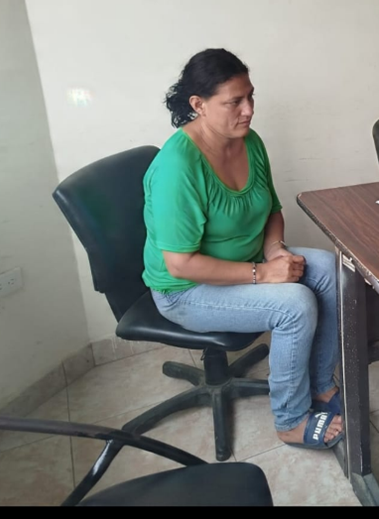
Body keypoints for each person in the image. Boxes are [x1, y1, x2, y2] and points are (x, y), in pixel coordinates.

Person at [142, 48, 343, 449]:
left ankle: (320, 384)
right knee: (294, 305)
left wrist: (274, 250)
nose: (249, 110)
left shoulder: (249, 142)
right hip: (185, 290)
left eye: (250, 97)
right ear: (198, 105)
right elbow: (180, 264)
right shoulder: (177, 165)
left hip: (246, 262)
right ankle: (290, 419)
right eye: (234, 102)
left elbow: (272, 209)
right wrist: (262, 274)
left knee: (328, 268)